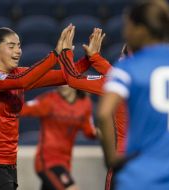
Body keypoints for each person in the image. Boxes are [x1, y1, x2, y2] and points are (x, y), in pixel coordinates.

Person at [0, 26, 74, 190]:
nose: (18, 51)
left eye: (19, 45)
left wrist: (90, 59)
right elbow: (24, 81)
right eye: (11, 46)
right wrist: (56, 55)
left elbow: (63, 77)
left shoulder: (17, 74)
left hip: (9, 162)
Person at [97, 1, 169, 190]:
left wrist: (112, 160)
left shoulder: (128, 67)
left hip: (139, 176)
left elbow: (103, 113)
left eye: (128, 26)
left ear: (141, 29)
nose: (125, 33)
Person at [58, 27, 128, 190]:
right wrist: (94, 58)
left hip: (123, 161)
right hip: (154, 163)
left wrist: (65, 52)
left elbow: (73, 79)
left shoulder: (114, 84)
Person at [20, 86, 96, 190]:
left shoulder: (85, 103)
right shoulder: (50, 99)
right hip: (47, 161)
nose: (62, 85)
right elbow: (21, 109)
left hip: (65, 162)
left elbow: (89, 131)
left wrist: (99, 133)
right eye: (60, 81)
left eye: (66, 82)